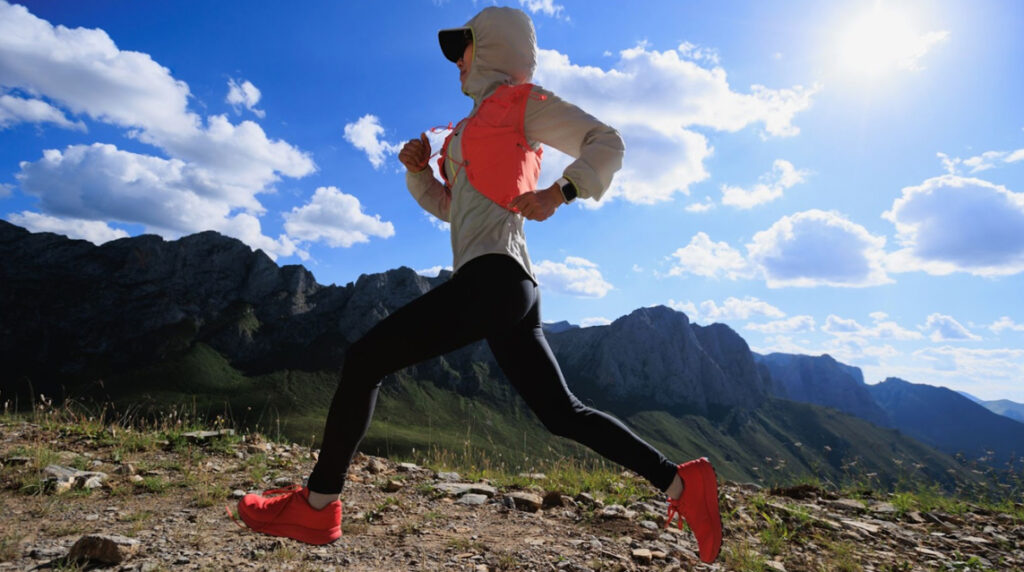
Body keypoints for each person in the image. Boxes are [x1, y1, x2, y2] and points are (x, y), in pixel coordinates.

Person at [235, 6, 722, 564]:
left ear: (491, 48)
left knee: (365, 359)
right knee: (562, 413)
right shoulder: (469, 130)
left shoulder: (522, 103)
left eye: (462, 49)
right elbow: (453, 209)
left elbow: (606, 141)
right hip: (508, 285)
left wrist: (560, 192)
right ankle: (682, 483)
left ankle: (318, 506)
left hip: (495, 276)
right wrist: (420, 171)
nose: (456, 63)